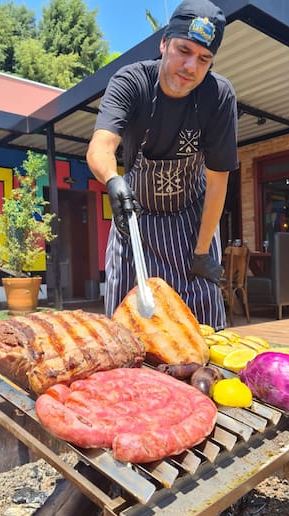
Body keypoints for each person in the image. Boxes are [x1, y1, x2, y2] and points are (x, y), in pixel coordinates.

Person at [86, 0, 238, 329]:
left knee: (205, 325)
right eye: (183, 50)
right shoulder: (132, 82)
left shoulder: (219, 96)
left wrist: (201, 253)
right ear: (164, 43)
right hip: (135, 219)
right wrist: (113, 180)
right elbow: (101, 145)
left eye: (204, 58)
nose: (190, 67)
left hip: (192, 221)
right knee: (128, 327)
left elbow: (217, 182)